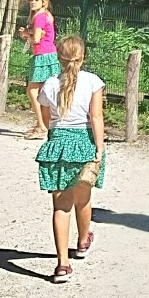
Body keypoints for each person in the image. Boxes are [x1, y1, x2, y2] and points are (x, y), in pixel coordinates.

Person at [35, 35, 105, 284]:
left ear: (57, 57)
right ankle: (83, 241)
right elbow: (96, 117)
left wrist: (52, 130)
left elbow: (45, 117)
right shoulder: (93, 82)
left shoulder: (49, 84)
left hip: (58, 144)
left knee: (60, 206)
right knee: (83, 198)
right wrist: (99, 148)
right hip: (84, 142)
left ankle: (62, 265)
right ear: (82, 57)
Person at [18, 0, 60, 140]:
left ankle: (42, 125)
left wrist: (26, 34)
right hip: (50, 54)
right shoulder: (46, 15)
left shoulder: (39, 17)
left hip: (42, 55)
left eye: (36, 0)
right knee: (44, 90)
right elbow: (41, 35)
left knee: (32, 90)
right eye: (31, 0)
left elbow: (36, 39)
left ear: (44, 2)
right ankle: (43, 125)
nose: (32, 2)